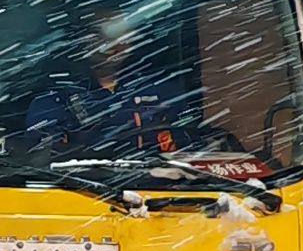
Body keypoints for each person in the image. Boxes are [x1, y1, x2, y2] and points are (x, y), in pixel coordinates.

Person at [23, 20, 189, 157]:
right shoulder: (54, 99)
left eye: (121, 37)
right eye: (103, 36)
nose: (113, 45)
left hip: (164, 189)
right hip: (79, 191)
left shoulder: (163, 91)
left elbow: (191, 148)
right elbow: (44, 159)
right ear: (83, 41)